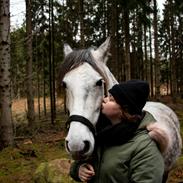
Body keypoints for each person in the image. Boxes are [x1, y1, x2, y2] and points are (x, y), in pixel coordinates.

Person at [70, 80, 164, 183]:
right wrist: (79, 169)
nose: (104, 100)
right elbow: (82, 161)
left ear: (125, 109)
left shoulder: (145, 147)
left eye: (111, 99)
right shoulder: (101, 132)